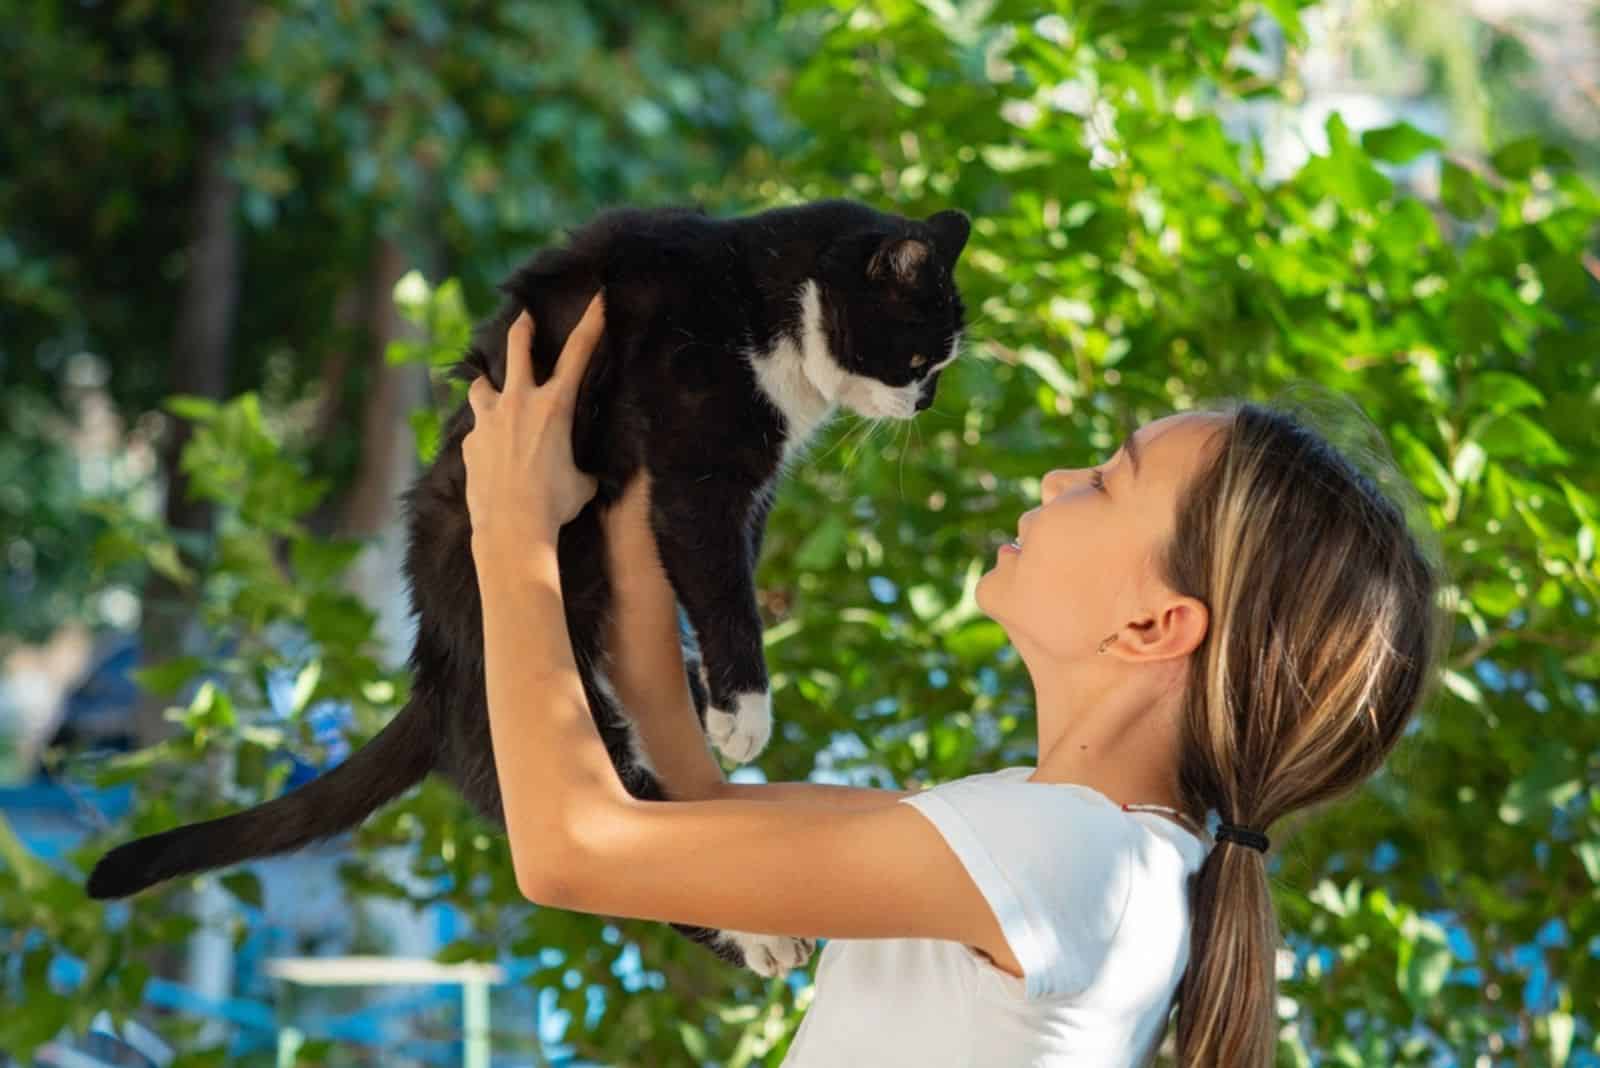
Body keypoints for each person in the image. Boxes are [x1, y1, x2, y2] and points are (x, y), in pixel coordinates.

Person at [461, 296, 1449, 1067]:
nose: (1061, 482)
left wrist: (508, 528)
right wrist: (631, 511)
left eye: (1107, 481)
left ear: (1153, 626)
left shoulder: (1070, 858)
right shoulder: (1069, 839)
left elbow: (574, 848)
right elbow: (691, 802)